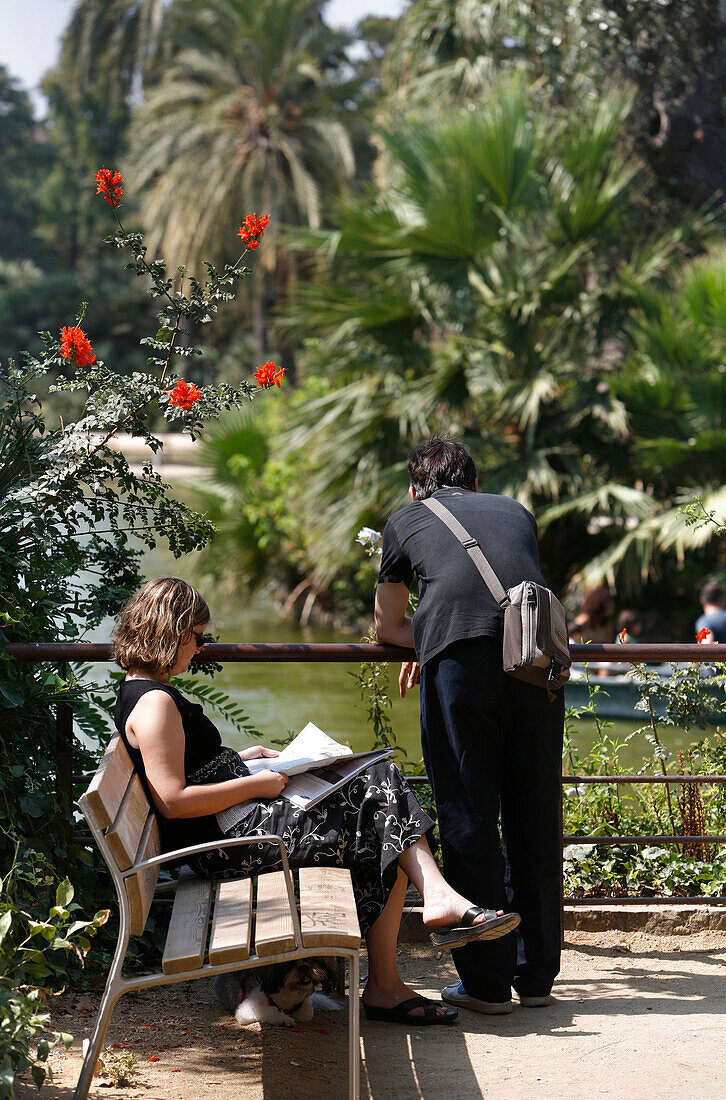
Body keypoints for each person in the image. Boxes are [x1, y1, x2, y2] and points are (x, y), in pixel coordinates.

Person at [111, 576, 520, 1027]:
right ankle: (412, 941)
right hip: (233, 844)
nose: (201, 647)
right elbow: (173, 800)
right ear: (172, 630)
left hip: (235, 829)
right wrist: (255, 785)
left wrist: (241, 761)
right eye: (197, 636)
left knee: (379, 796)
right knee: (382, 805)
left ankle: (415, 934)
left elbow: (182, 769)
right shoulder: (155, 704)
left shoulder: (141, 692)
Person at [374, 438, 564, 1016]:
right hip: (533, 661)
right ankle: (535, 978)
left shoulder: (406, 520)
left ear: (416, 488)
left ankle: (487, 983)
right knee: (534, 809)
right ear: (476, 484)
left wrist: (429, 638)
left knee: (467, 810)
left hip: (462, 670)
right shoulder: (516, 512)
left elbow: (387, 626)